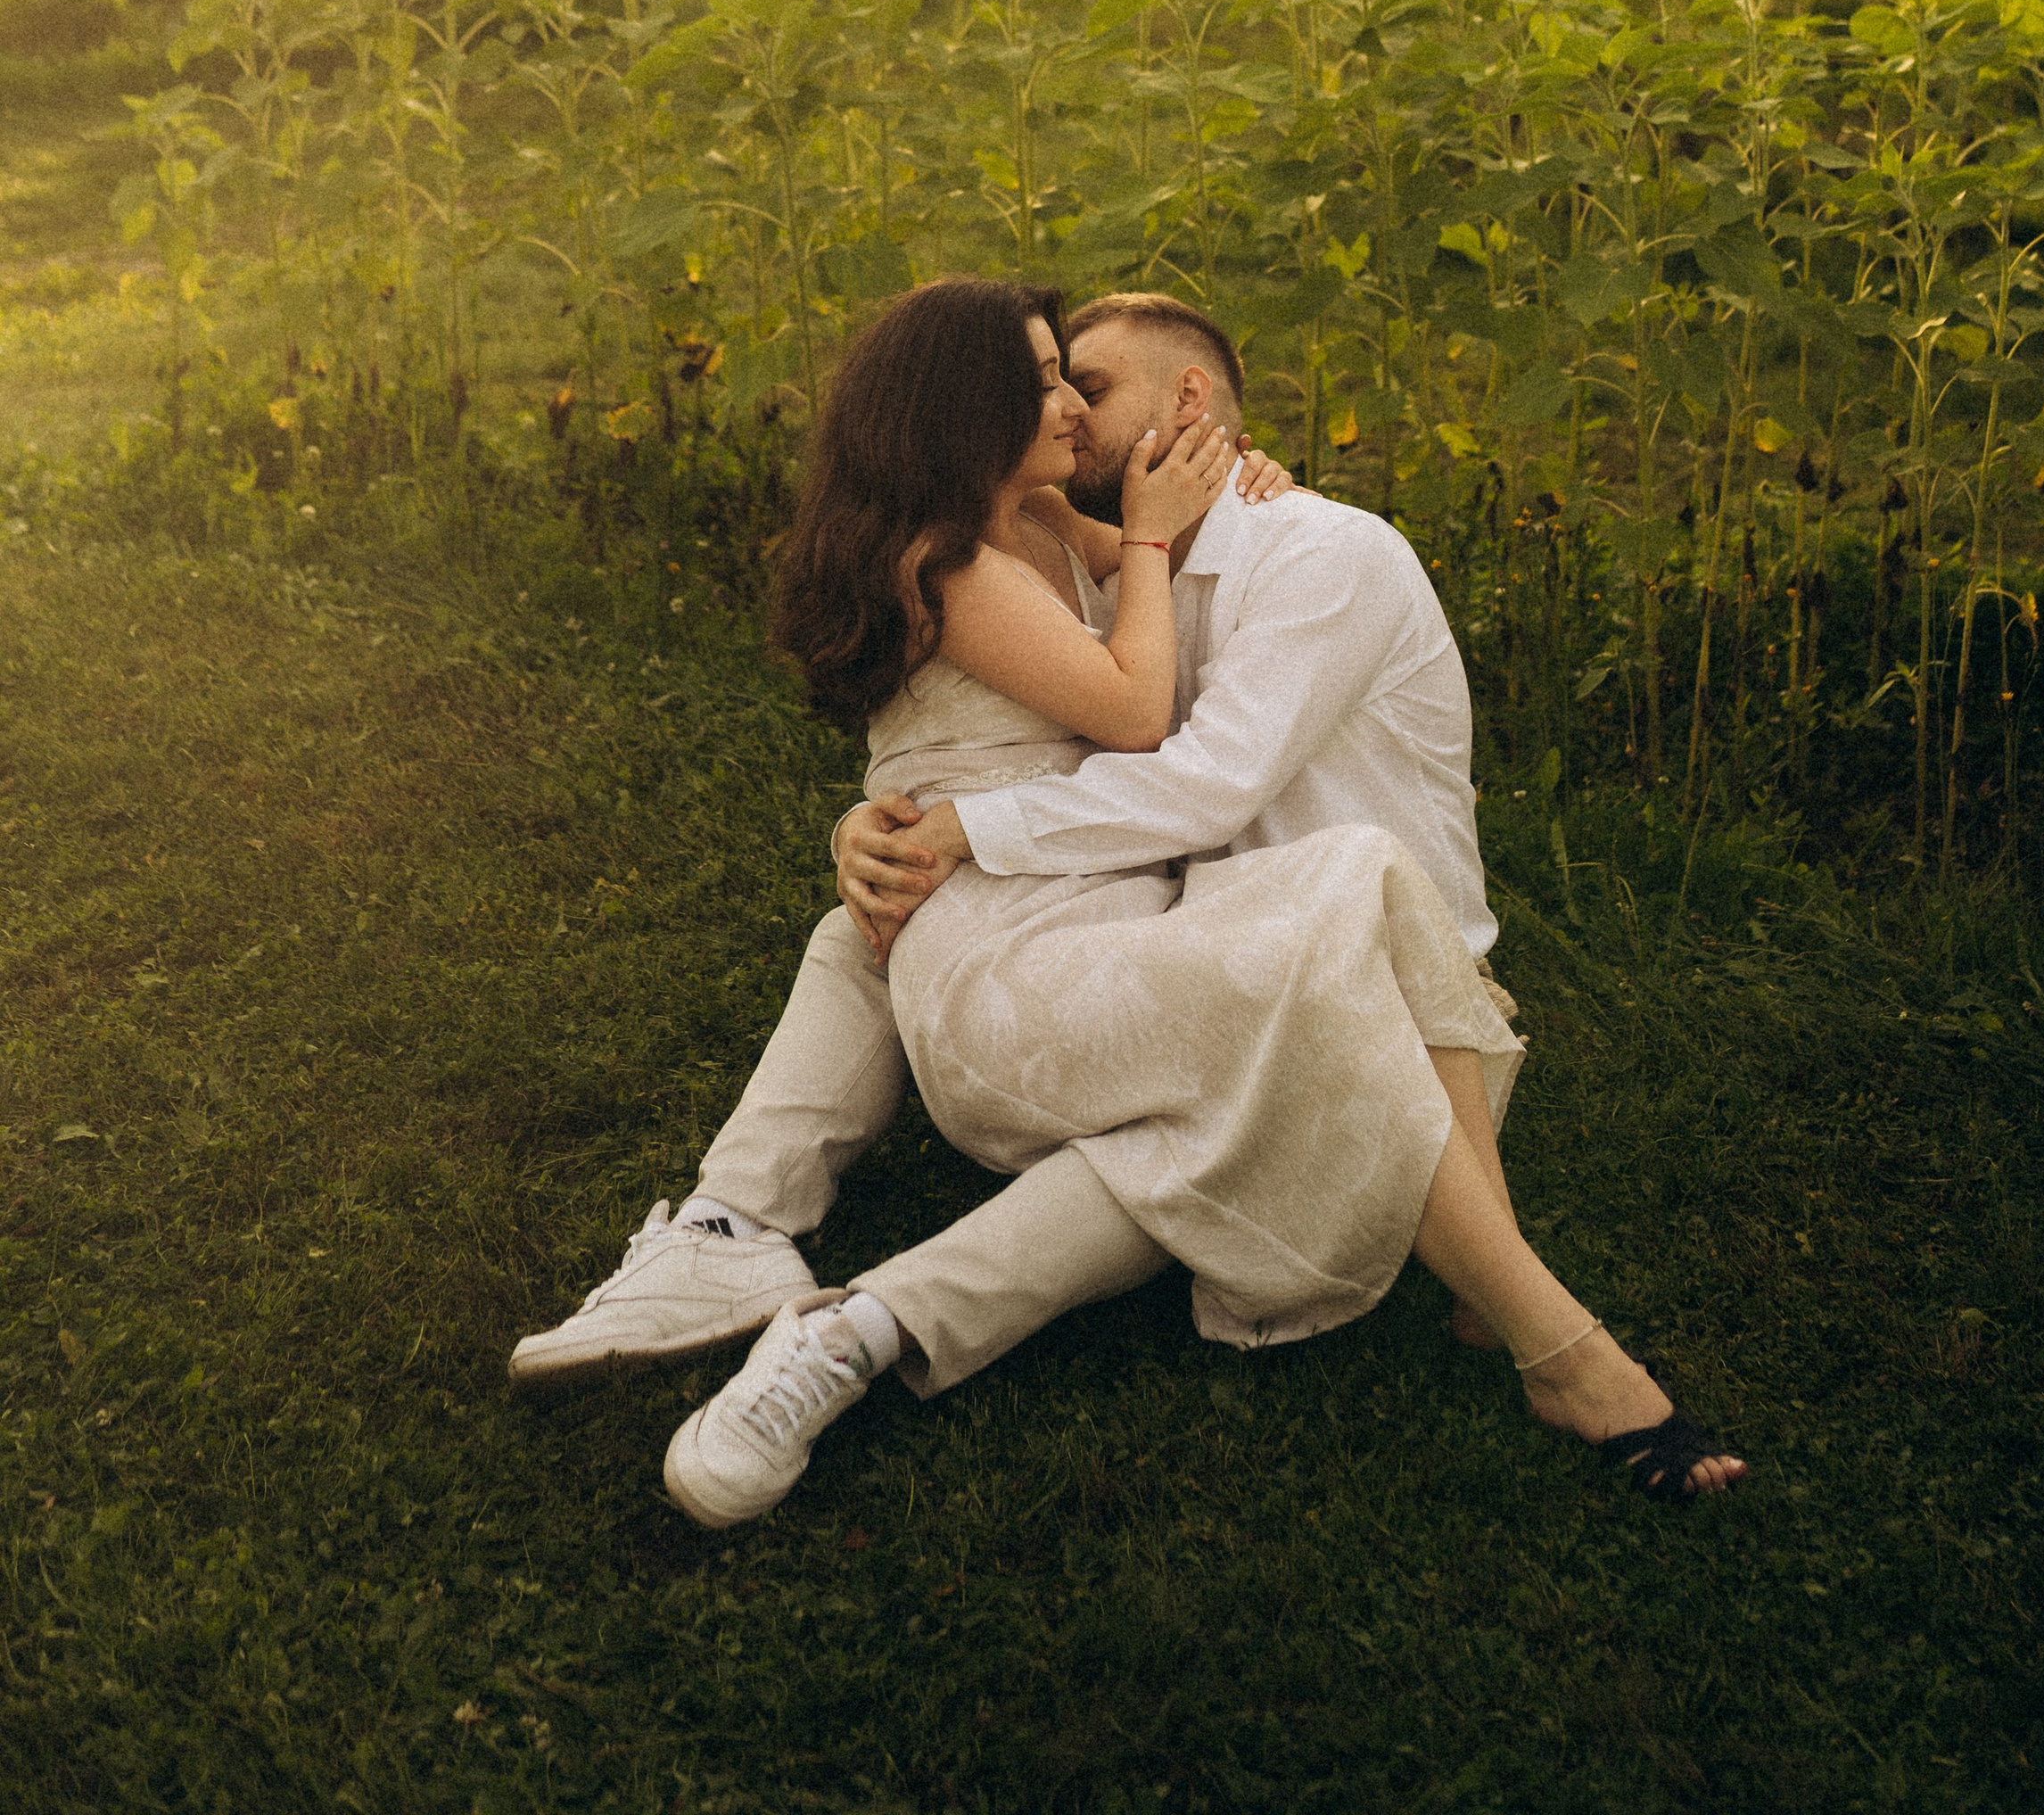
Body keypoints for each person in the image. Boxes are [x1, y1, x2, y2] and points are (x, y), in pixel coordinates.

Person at [511, 280, 1743, 1517]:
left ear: (1191, 403)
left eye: (1079, 381)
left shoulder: (1159, 536)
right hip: (1053, 966)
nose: (1065, 409)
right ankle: (1566, 1348)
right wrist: (906, 818)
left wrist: (1224, 490)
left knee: (1228, 1082)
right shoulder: (965, 558)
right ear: (963, 406)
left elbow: (1118, 693)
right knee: (1339, 905)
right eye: (1043, 381)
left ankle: (854, 1332)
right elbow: (1134, 721)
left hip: (1150, 937)